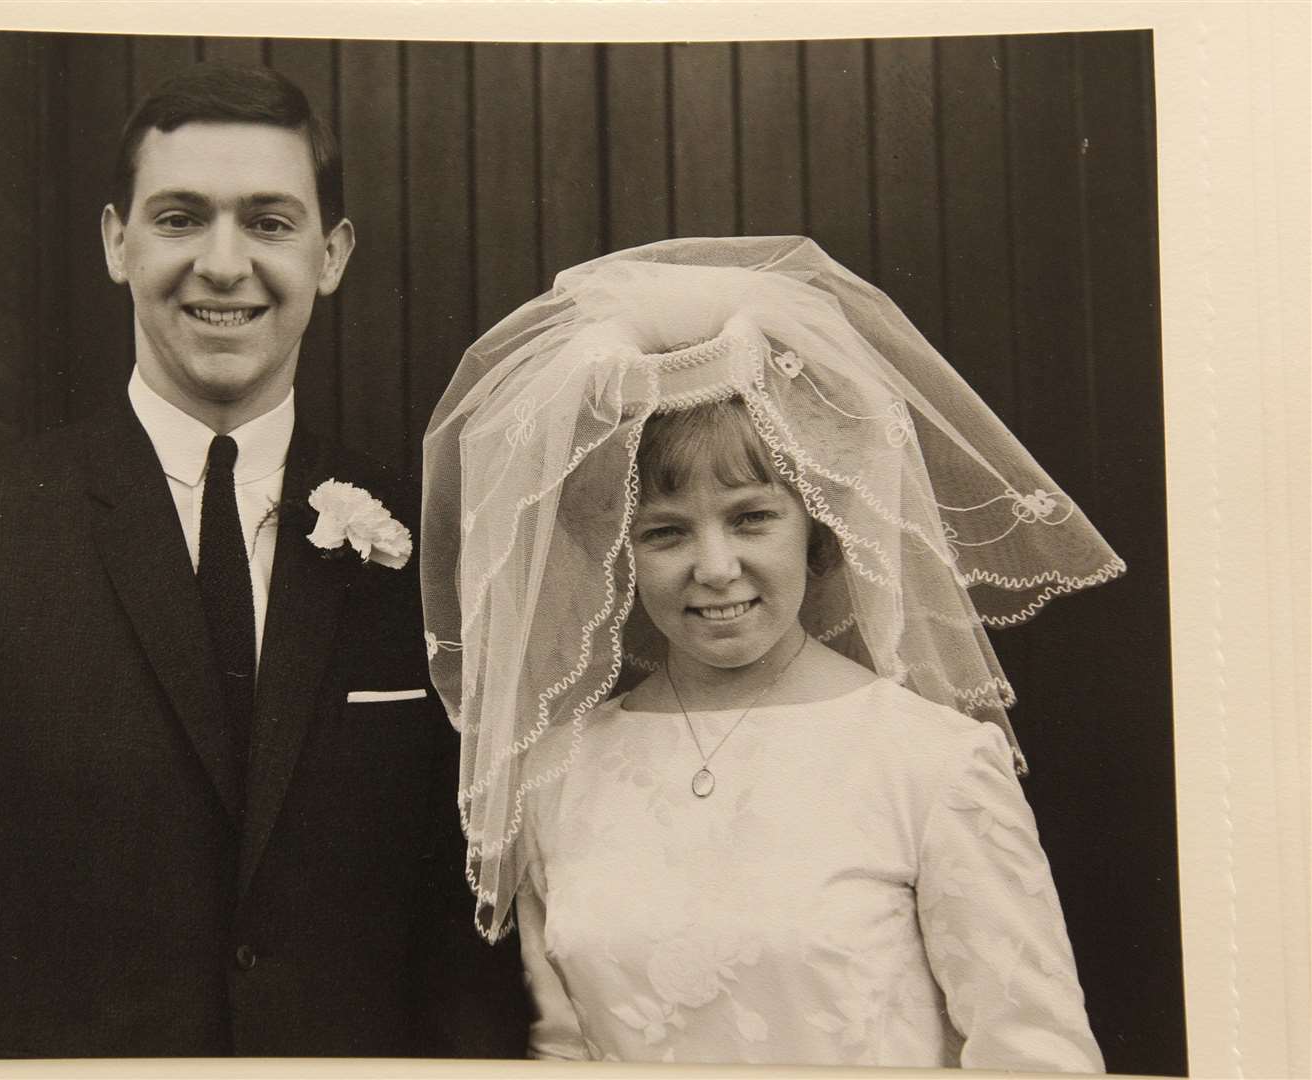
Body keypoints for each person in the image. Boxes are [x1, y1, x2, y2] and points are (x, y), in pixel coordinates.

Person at [0, 63, 529, 1061]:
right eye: (181, 218)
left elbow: (466, 934)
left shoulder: (426, 541)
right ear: (117, 242)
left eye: (269, 223)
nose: (223, 265)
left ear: (332, 254)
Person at [421, 236, 1121, 1069]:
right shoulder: (559, 771)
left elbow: (1037, 1058)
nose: (715, 569)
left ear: (816, 522)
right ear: (621, 550)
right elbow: (561, 1049)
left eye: (752, 517)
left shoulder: (935, 766)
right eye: (667, 531)